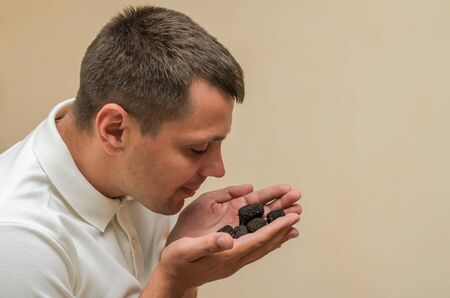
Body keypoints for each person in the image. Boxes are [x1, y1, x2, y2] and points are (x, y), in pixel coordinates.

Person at [0, 5, 301, 298]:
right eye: (197, 148)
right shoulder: (19, 241)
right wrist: (172, 281)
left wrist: (182, 259)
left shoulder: (135, 169)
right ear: (114, 130)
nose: (218, 169)